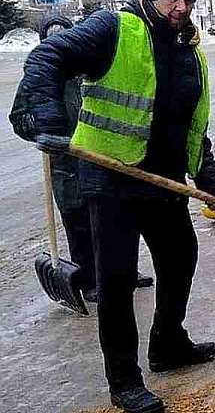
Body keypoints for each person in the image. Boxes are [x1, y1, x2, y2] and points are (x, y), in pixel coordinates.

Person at [11, 0, 215, 413]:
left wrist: (214, 185)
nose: (181, 6)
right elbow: (46, 58)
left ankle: (168, 344)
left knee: (180, 259)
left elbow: (191, 128)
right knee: (115, 280)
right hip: (112, 178)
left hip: (163, 179)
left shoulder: (188, 49)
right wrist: (50, 119)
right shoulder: (113, 28)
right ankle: (124, 381)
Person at [10, 16, 155, 304]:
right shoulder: (41, 79)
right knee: (78, 223)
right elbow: (18, 119)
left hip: (97, 154)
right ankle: (90, 279)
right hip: (65, 164)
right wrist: (42, 129)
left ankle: (124, 272)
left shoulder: (91, 68)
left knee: (113, 220)